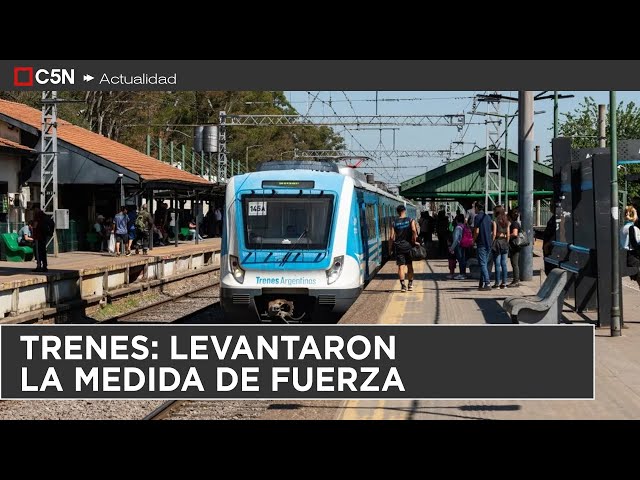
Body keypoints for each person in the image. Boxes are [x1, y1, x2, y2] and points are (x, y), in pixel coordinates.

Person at [389, 204, 419, 293]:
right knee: (409, 265)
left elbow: (391, 237)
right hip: (408, 246)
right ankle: (410, 284)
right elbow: (414, 230)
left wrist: (390, 248)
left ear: (397, 212)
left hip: (399, 246)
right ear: (404, 211)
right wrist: (414, 240)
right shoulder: (410, 220)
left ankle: (403, 286)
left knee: (401, 267)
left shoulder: (394, 222)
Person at [473, 202, 492, 291]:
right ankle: (481, 283)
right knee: (484, 263)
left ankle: (487, 283)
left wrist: (473, 240)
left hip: (481, 243)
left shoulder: (477, 217)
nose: (474, 209)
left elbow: (477, 231)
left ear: (477, 207)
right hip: (489, 243)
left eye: (474, 207)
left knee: (482, 264)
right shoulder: (488, 217)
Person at [621, 206, 640, 290]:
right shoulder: (633, 228)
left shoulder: (622, 228)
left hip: (624, 256)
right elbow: (635, 244)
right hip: (632, 256)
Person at [491, 205, 510, 289]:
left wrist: (492, 242)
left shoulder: (495, 221)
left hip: (497, 242)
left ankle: (497, 283)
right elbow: (508, 234)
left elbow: (494, 234)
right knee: (504, 264)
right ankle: (504, 283)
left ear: (497, 212)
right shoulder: (507, 221)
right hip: (505, 242)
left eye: (494, 211)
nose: (493, 212)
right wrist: (507, 242)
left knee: (497, 264)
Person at [32, 206, 52, 273]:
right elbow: (52, 223)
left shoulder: (37, 216)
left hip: (38, 237)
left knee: (38, 252)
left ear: (36, 209)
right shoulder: (45, 216)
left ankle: (39, 266)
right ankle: (45, 266)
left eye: (34, 210)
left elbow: (35, 227)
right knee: (43, 252)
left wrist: (33, 235)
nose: (33, 212)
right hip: (44, 236)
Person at [507, 207, 522, 288]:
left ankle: (516, 280)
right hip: (515, 246)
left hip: (515, 246)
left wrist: (507, 236)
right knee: (514, 263)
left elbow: (515, 233)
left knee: (515, 264)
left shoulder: (514, 224)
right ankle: (515, 280)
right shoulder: (514, 223)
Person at [449, 214, 467, 280]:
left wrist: (452, 248)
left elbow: (456, 239)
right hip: (464, 244)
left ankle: (461, 274)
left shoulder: (457, 228)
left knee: (460, 260)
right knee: (463, 259)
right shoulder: (464, 226)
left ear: (456, 220)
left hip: (459, 245)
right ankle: (463, 273)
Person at [542, 204, 557, 276]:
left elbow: (557, 233)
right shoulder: (554, 217)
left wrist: (548, 244)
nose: (550, 206)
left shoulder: (558, 218)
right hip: (548, 247)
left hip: (550, 248)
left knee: (551, 269)